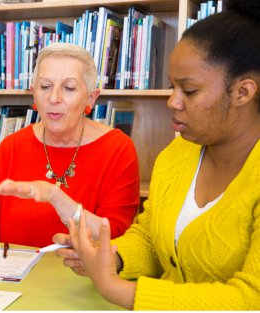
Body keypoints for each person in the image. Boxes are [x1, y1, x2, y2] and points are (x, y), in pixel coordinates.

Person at [53, 0, 260, 309]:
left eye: (189, 91)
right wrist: (110, 257)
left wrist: (115, 288)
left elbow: (250, 298)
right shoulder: (177, 154)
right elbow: (151, 237)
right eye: (171, 87)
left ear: (243, 92)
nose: (172, 102)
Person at [0, 43, 140, 247]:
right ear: (34, 93)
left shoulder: (117, 149)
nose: (53, 98)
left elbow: (115, 239)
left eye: (68, 88)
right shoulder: (11, 147)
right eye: (45, 86)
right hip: (12, 275)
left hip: (82, 276)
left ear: (91, 98)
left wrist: (56, 197)